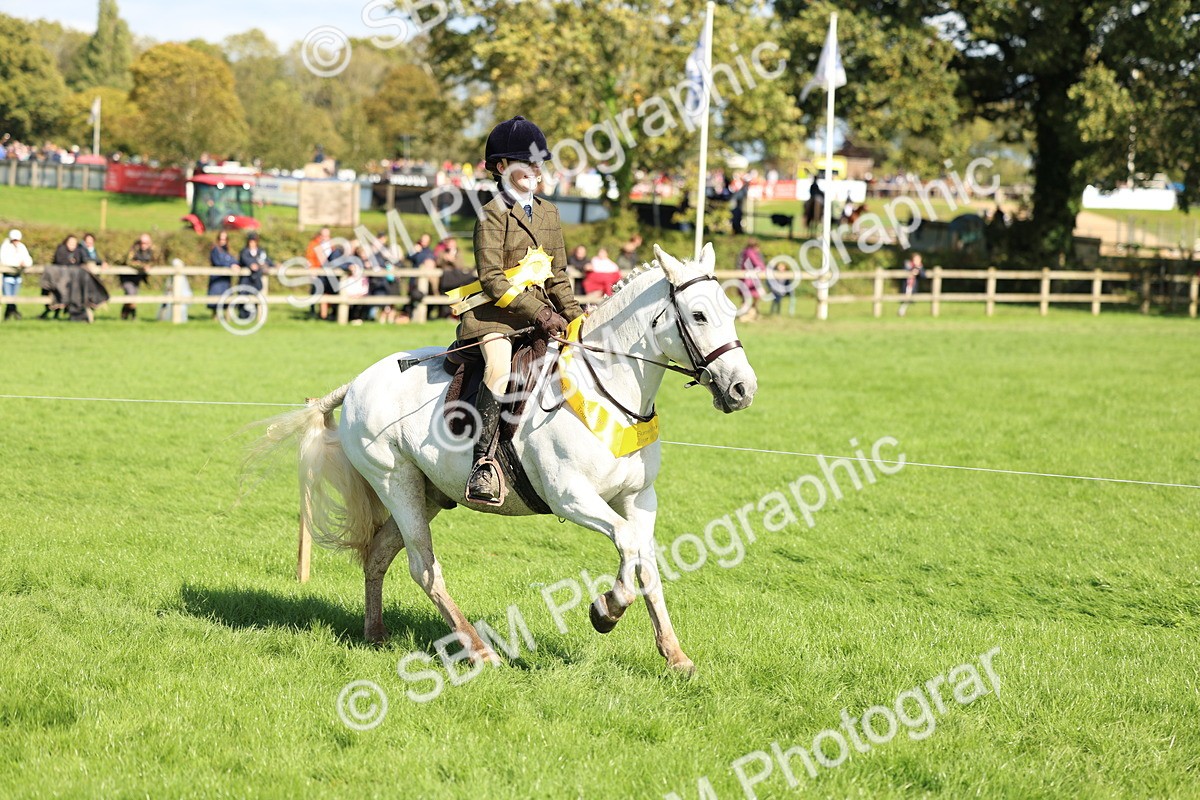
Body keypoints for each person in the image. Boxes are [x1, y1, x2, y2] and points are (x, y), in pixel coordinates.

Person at [457, 115, 583, 505]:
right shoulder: (491, 213)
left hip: (540, 313)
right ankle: (483, 464)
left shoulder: (549, 213)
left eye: (538, 162)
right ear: (500, 167)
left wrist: (577, 316)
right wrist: (540, 314)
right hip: (494, 316)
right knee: (498, 367)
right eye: (525, 162)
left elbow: (557, 274)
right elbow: (492, 279)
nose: (535, 169)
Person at [237, 232, 274, 320]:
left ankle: (255, 316)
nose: (252, 243)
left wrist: (270, 264)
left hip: (256, 280)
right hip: (246, 280)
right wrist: (252, 264)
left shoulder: (260, 251)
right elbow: (245, 260)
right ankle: (243, 316)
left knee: (256, 296)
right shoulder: (245, 251)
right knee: (243, 296)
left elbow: (267, 261)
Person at [1, 229, 33, 321]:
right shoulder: (6, 247)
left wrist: (25, 263)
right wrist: (17, 263)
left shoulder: (21, 247)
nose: (16, 242)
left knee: (13, 297)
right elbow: (4, 260)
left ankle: (8, 316)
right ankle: (15, 314)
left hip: (17, 276)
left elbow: (28, 259)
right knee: (8, 297)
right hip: (7, 276)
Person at [122, 234, 156, 320]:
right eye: (142, 242)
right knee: (131, 294)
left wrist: (149, 266)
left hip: (137, 278)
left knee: (131, 296)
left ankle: (124, 316)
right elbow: (129, 261)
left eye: (146, 243)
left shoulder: (152, 250)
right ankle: (133, 316)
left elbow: (155, 261)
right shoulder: (133, 249)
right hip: (127, 277)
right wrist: (141, 266)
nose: (143, 245)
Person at [305, 227, 333, 319]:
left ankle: (326, 313)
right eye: (323, 235)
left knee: (328, 291)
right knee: (315, 291)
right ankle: (313, 310)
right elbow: (310, 258)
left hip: (329, 272)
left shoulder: (332, 245)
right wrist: (312, 270)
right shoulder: (313, 244)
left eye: (327, 236)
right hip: (317, 271)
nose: (325, 237)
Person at [208, 231, 237, 317]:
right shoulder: (215, 250)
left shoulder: (227, 250)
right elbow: (218, 262)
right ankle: (215, 317)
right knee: (215, 300)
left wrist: (235, 264)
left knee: (226, 298)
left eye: (224, 239)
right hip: (217, 279)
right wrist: (230, 265)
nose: (222, 241)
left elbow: (233, 260)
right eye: (221, 239)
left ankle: (226, 317)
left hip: (225, 280)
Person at [738, 239, 766, 320]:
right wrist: (764, 269)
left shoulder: (746, 252)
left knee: (751, 298)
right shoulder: (750, 252)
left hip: (749, 279)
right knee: (750, 297)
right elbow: (757, 263)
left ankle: (751, 315)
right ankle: (746, 316)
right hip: (748, 280)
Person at [898, 252, 924, 317]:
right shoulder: (908, 265)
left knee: (908, 299)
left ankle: (902, 311)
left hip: (913, 286)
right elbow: (904, 272)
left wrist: (918, 271)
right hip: (907, 285)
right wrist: (911, 271)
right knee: (906, 299)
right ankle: (901, 312)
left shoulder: (920, 267)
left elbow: (923, 275)